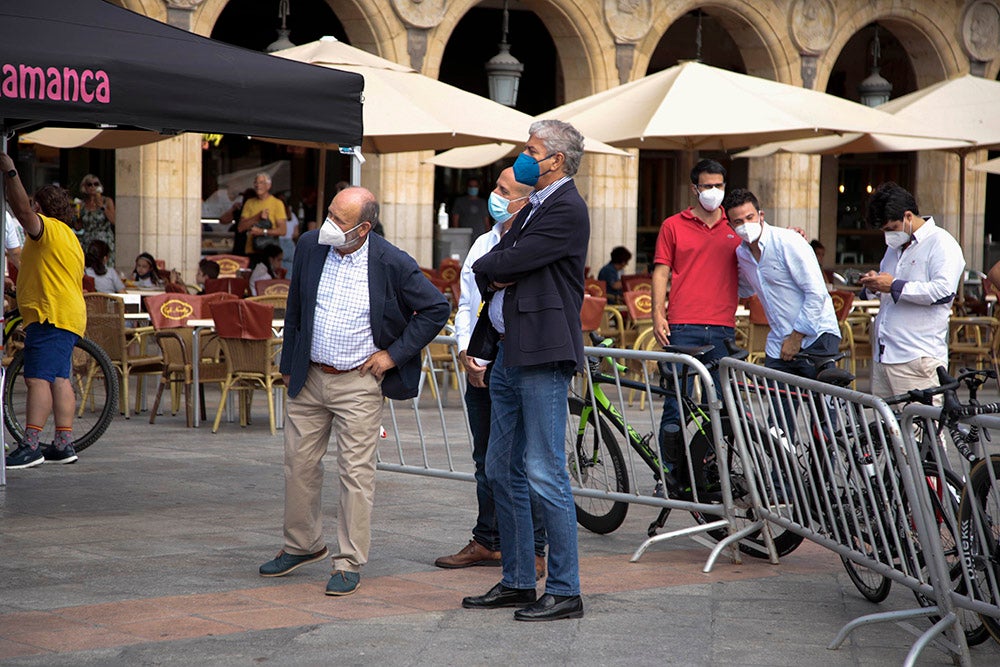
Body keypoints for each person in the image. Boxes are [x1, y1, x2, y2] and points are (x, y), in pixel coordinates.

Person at [259, 186, 449, 596]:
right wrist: (289, 364)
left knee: (356, 474)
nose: (328, 224)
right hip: (309, 375)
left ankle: (347, 561)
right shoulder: (311, 245)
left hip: (358, 382)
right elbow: (295, 306)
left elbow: (436, 308)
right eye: (328, 213)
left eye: (339, 220)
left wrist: (392, 356)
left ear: (363, 228)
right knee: (298, 464)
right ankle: (302, 544)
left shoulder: (392, 261)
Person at [461, 120, 588, 622]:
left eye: (532, 150)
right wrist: (500, 261)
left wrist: (499, 261)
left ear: (555, 159)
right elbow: (500, 262)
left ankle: (565, 589)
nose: (524, 156)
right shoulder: (535, 204)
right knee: (501, 468)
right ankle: (517, 579)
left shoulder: (566, 208)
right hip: (509, 352)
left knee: (544, 470)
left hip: (539, 353)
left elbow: (502, 264)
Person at [435, 167, 547, 579]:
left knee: (525, 459)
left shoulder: (535, 241)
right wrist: (466, 351)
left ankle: (535, 547)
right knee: (486, 458)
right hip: (481, 356)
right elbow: (466, 302)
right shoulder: (483, 243)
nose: (493, 196)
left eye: (503, 190)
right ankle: (488, 539)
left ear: (524, 199)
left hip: (518, 358)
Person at [650, 159, 739, 499]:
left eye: (719, 186)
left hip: (722, 328)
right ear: (694, 188)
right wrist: (658, 314)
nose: (713, 192)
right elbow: (661, 271)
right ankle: (669, 476)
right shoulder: (674, 225)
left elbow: (764, 248)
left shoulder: (737, 226)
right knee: (676, 404)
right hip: (681, 326)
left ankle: (711, 467)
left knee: (720, 405)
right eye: (707, 186)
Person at [2, 153, 86, 469]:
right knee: (59, 378)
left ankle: (31, 444)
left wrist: (10, 172)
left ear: (42, 208)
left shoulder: (47, 229)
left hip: (49, 316)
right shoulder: (70, 238)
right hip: (68, 316)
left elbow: (22, 211)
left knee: (36, 379)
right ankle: (64, 444)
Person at [858, 182, 965, 399]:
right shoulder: (894, 248)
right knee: (886, 429)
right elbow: (889, 288)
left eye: (891, 229)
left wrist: (894, 285)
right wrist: (874, 285)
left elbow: (943, 292)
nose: (888, 236)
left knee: (922, 427)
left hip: (917, 358)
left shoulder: (941, 243)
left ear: (908, 217)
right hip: (884, 355)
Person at [725, 189, 841, 378]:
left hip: (816, 337)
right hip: (779, 340)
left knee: (823, 406)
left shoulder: (787, 241)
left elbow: (817, 293)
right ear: (731, 226)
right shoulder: (742, 254)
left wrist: (796, 338)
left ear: (761, 216)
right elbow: (743, 289)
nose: (746, 225)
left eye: (750, 217)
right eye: (738, 222)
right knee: (778, 405)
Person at [238, 173, 286, 256]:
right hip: (252, 251)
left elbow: (283, 230)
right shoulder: (249, 203)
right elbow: (240, 227)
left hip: (270, 253)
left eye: (261, 183)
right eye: (256, 183)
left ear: (268, 185)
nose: (258, 185)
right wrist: (258, 217)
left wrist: (262, 232)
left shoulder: (277, 203)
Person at [76, 173, 116, 268]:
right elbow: (78, 227)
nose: (93, 187)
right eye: (89, 184)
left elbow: (113, 220)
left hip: (104, 240)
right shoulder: (82, 204)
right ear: (84, 187)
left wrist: (102, 207)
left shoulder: (107, 201)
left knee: (105, 267)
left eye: (96, 184)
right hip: (88, 242)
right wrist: (75, 216)